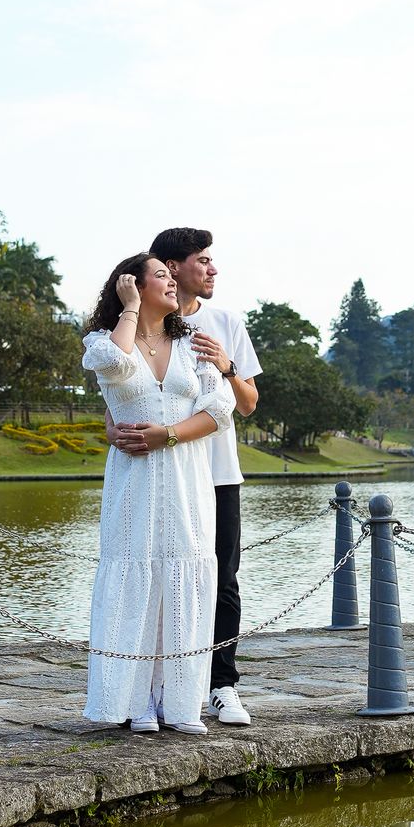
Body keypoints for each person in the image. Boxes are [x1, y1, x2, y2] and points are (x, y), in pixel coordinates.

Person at [81, 253, 234, 733]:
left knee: (184, 581)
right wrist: (129, 309)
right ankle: (136, 702)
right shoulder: (104, 342)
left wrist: (166, 435)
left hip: (188, 483)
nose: (172, 283)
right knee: (137, 580)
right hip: (134, 485)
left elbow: (220, 410)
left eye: (172, 275)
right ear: (133, 285)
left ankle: (179, 701)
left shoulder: (193, 344)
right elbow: (115, 365)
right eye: (162, 276)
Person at [147, 227, 260, 724]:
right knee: (164, 577)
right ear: (173, 267)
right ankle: (162, 687)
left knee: (223, 580)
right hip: (167, 475)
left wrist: (227, 365)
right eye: (203, 260)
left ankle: (221, 684)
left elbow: (249, 404)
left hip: (218, 474)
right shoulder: (149, 323)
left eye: (212, 261)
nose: (213, 269)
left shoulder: (226, 322)